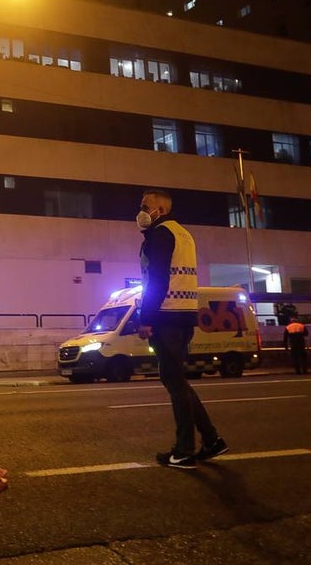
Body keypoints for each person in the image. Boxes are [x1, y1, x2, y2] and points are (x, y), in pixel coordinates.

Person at [135, 188, 228, 469]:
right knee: (178, 382)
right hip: (184, 317)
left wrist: (146, 318)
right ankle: (212, 440)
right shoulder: (183, 234)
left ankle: (184, 450)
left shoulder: (160, 235)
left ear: (159, 210)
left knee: (175, 383)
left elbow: (159, 280)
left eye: (145, 205)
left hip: (167, 318)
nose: (140, 211)